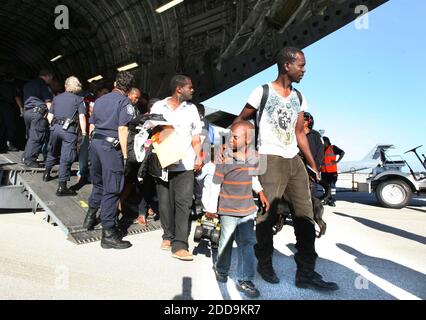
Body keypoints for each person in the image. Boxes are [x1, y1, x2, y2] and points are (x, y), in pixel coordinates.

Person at [234, 47, 338, 291]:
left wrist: (313, 165)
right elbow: (240, 120)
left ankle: (307, 272)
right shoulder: (263, 91)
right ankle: (265, 263)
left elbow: (299, 132)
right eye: (301, 65)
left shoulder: (299, 96)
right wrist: (246, 152)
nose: (304, 70)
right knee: (266, 216)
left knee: (305, 215)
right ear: (286, 65)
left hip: (294, 160)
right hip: (269, 159)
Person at [203, 121, 269, 298]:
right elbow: (216, 184)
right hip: (228, 209)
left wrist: (261, 192)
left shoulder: (254, 157)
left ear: (248, 139)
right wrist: (211, 208)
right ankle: (221, 269)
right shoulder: (223, 156)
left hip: (247, 209)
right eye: (230, 135)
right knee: (225, 242)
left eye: (235, 137)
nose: (230, 139)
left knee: (247, 243)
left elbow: (253, 177)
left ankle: (245, 279)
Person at [150, 75, 203, 261]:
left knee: (184, 203)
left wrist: (199, 156)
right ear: (179, 89)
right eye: (190, 87)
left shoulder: (192, 109)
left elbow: (196, 136)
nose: (193, 90)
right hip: (163, 162)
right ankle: (167, 236)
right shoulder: (158, 107)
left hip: (186, 163)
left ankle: (180, 244)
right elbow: (150, 132)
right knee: (165, 203)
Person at [83, 71, 135, 250]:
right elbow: (122, 129)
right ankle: (108, 234)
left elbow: (92, 124)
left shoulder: (100, 100)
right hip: (110, 148)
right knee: (112, 189)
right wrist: (125, 156)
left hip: (96, 144)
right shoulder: (125, 102)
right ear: (128, 89)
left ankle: (89, 218)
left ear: (114, 83)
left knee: (98, 184)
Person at [43, 76, 87, 196]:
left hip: (55, 128)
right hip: (69, 131)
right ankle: (62, 187)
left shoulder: (56, 98)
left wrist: (52, 128)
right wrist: (84, 133)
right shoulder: (79, 100)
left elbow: (49, 116)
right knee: (66, 157)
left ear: (66, 86)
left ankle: (46, 173)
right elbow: (82, 117)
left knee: (52, 150)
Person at [22, 69, 54, 168]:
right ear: (47, 76)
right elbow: (48, 102)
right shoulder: (43, 85)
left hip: (27, 112)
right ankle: (30, 160)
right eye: (51, 78)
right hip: (38, 113)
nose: (51, 80)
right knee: (37, 136)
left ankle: (25, 157)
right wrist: (52, 117)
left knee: (31, 135)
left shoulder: (28, 84)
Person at [320, 136, 345, 207]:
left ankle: (331, 200)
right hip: (324, 171)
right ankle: (326, 199)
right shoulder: (322, 149)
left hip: (332, 171)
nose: (322, 144)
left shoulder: (333, 148)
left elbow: (342, 152)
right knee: (325, 186)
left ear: (326, 142)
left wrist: (337, 161)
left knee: (332, 186)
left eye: (323, 142)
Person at [0, 74, 22, 152]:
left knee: (2, 126)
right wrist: (21, 108)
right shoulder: (12, 86)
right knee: (11, 126)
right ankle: (9, 143)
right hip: (7, 107)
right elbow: (17, 97)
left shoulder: (1, 85)